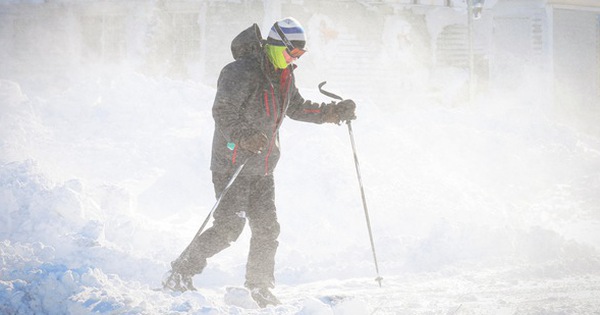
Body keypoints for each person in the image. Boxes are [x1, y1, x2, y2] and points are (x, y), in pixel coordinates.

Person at [163, 17, 356, 308]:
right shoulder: (239, 72)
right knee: (230, 227)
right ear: (276, 45)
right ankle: (180, 272)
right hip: (233, 162)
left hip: (263, 166)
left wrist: (332, 113)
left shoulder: (284, 75)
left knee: (267, 228)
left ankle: (259, 287)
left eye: (300, 55)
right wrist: (244, 136)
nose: (295, 60)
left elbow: (296, 107)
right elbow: (223, 111)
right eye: (293, 53)